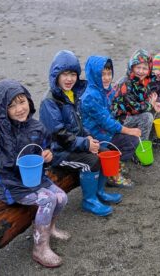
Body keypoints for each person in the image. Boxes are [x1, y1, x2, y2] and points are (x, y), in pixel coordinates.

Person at [0, 79, 69, 268]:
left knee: (61, 197)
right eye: (11, 106)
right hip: (10, 184)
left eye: (22, 102)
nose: (19, 109)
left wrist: (48, 156)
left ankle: (49, 228)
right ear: (3, 110)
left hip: (34, 178)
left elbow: (45, 151)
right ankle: (40, 247)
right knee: (47, 199)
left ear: (29, 100)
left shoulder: (37, 128)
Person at [39, 50, 122, 218]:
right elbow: (59, 134)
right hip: (58, 151)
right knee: (91, 161)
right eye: (65, 74)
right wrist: (85, 144)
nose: (69, 79)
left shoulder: (71, 94)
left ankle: (99, 192)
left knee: (104, 151)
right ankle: (89, 200)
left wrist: (89, 136)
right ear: (56, 75)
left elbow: (78, 123)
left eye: (73, 74)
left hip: (73, 143)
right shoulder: (50, 102)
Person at [81, 55, 140, 188]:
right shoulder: (91, 96)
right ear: (94, 75)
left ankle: (116, 164)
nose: (107, 78)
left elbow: (115, 108)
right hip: (96, 135)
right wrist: (129, 130)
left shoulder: (104, 90)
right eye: (102, 74)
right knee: (132, 141)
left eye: (109, 73)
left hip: (105, 131)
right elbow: (106, 122)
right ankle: (113, 174)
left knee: (129, 136)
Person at [111, 49, 160, 142]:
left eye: (144, 68)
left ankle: (153, 139)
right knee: (147, 117)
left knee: (159, 108)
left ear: (149, 69)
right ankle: (140, 146)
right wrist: (150, 104)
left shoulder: (144, 81)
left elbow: (144, 99)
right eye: (138, 67)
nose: (141, 71)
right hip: (120, 119)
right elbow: (134, 109)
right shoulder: (125, 83)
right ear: (131, 67)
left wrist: (154, 104)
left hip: (133, 113)